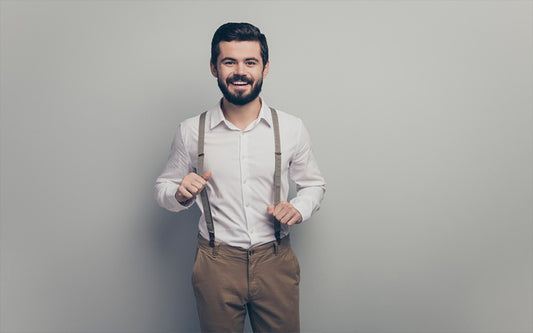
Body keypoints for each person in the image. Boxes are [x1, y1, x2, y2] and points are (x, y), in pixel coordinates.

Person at [155, 22, 325, 333]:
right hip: (215, 262)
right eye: (229, 61)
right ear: (214, 67)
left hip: (275, 259)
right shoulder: (191, 131)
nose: (240, 71)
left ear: (265, 67)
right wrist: (178, 194)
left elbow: (313, 184)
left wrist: (299, 208)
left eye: (250, 62)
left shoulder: (291, 128)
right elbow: (164, 188)